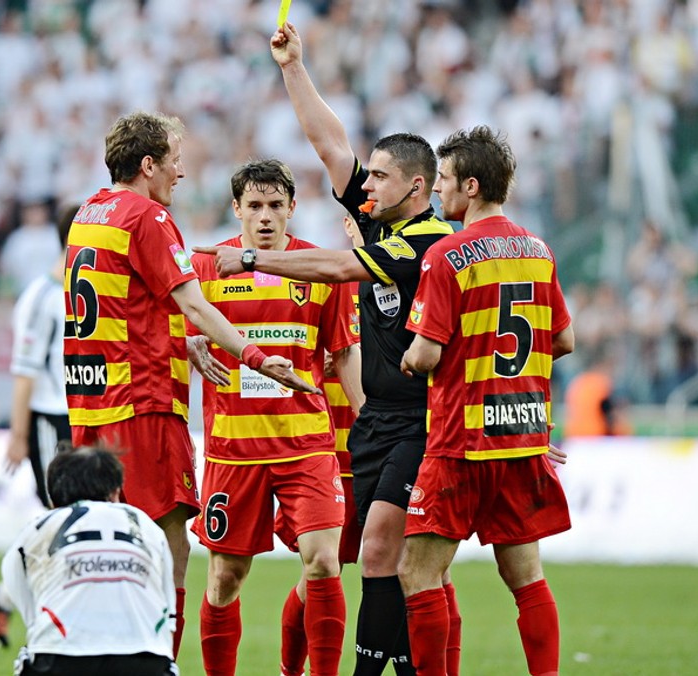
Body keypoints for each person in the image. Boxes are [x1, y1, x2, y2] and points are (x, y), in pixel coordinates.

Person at [194, 22, 457, 675]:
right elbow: (330, 143)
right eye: (252, 205)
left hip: (409, 425)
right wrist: (293, 69)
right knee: (350, 561)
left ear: (417, 189)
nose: (368, 186)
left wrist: (254, 260)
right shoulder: (379, 219)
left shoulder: (420, 244)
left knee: (379, 561)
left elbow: (341, 280)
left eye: (383, 178)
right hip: (300, 435)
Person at [64, 111, 318, 658]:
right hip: (143, 405)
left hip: (90, 405)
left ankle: (92, 657)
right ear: (149, 164)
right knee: (169, 553)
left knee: (104, 552)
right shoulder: (146, 216)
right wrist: (254, 356)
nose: (180, 173)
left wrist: (180, 341)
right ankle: (160, 666)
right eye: (175, 161)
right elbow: (194, 304)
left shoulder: (88, 213)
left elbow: (118, 310)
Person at [397, 125, 574, 676]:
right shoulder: (537, 250)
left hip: (459, 441)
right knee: (525, 576)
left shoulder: (448, 255)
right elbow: (563, 339)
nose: (438, 192)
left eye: (444, 180)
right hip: (521, 437)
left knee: (417, 573)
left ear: (471, 186)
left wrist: (409, 359)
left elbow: (425, 356)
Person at [185, 159, 350, 675]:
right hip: (234, 448)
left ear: (292, 208)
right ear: (236, 209)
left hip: (307, 443)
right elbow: (171, 322)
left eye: (275, 206)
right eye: (253, 206)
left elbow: (344, 352)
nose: (264, 216)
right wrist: (188, 341)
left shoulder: (321, 267)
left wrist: (367, 420)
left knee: (324, 561)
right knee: (225, 579)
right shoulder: (206, 265)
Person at [0, 202, 81, 649]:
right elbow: (25, 370)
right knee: (61, 519)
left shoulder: (93, 291)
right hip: (51, 419)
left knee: (74, 522)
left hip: (87, 417)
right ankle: (31, 605)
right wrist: (19, 435)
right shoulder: (42, 297)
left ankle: (4, 596)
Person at [1, 444, 179, 676]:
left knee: (34, 650)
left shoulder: (39, 527)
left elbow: (29, 609)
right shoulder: (146, 525)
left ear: (54, 498)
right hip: (146, 659)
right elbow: (168, 614)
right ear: (116, 492)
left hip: (61, 658)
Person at [278, 278, 365, 676]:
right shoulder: (328, 275)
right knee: (321, 567)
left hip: (390, 444)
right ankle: (291, 669)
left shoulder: (411, 275)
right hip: (330, 447)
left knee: (415, 568)